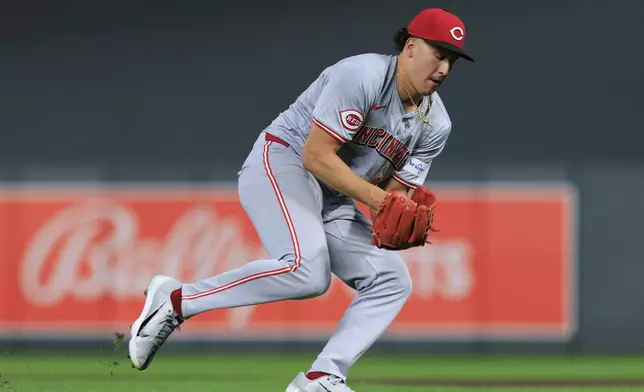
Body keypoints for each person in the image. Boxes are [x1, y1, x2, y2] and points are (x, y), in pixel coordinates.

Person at [127, 7, 474, 392]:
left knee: (391, 280)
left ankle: (322, 376)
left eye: (453, 60)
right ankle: (176, 301)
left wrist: (399, 214)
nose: (444, 68)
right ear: (410, 47)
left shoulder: (435, 123)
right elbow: (317, 156)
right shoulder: (362, 76)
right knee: (306, 270)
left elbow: (391, 198)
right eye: (438, 54)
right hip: (283, 161)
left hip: (334, 195)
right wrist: (380, 200)